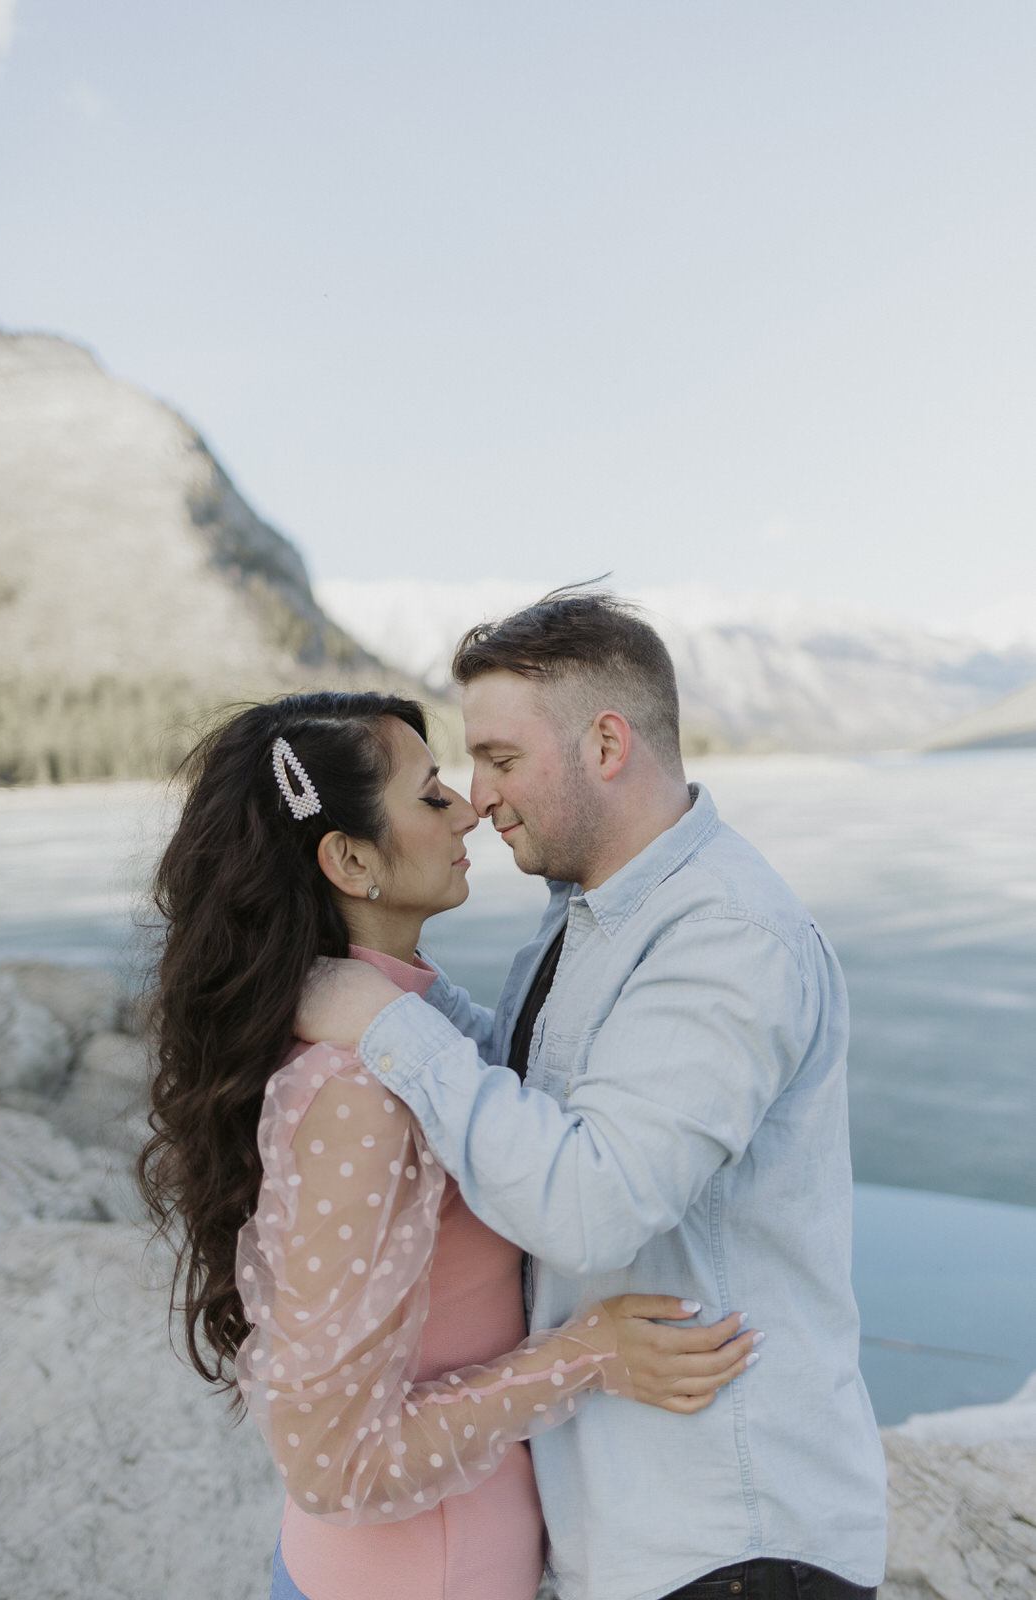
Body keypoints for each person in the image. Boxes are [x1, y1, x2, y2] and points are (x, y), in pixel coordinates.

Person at [296, 593, 889, 1600]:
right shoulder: (594, 912)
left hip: (729, 1540)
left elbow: (589, 1202)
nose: (478, 797)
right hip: (635, 1533)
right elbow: (530, 1089)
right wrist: (400, 990)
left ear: (606, 742)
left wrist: (388, 1028)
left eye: (500, 758)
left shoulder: (725, 937)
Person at [137, 689, 760, 1600]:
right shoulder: (353, 1091)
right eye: (432, 796)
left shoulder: (392, 1027)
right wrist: (588, 1355)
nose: (469, 807)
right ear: (350, 859)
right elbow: (335, 1465)